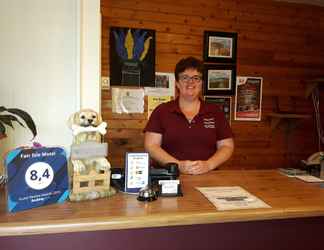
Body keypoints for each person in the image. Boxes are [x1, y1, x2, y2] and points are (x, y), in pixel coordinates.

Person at [144, 57, 234, 175]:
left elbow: (227, 146)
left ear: (201, 83)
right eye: (185, 77)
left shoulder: (215, 112)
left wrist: (208, 165)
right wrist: (177, 165)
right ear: (177, 83)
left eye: (196, 78)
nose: (190, 82)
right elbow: (151, 145)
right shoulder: (162, 111)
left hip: (208, 177)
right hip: (169, 178)